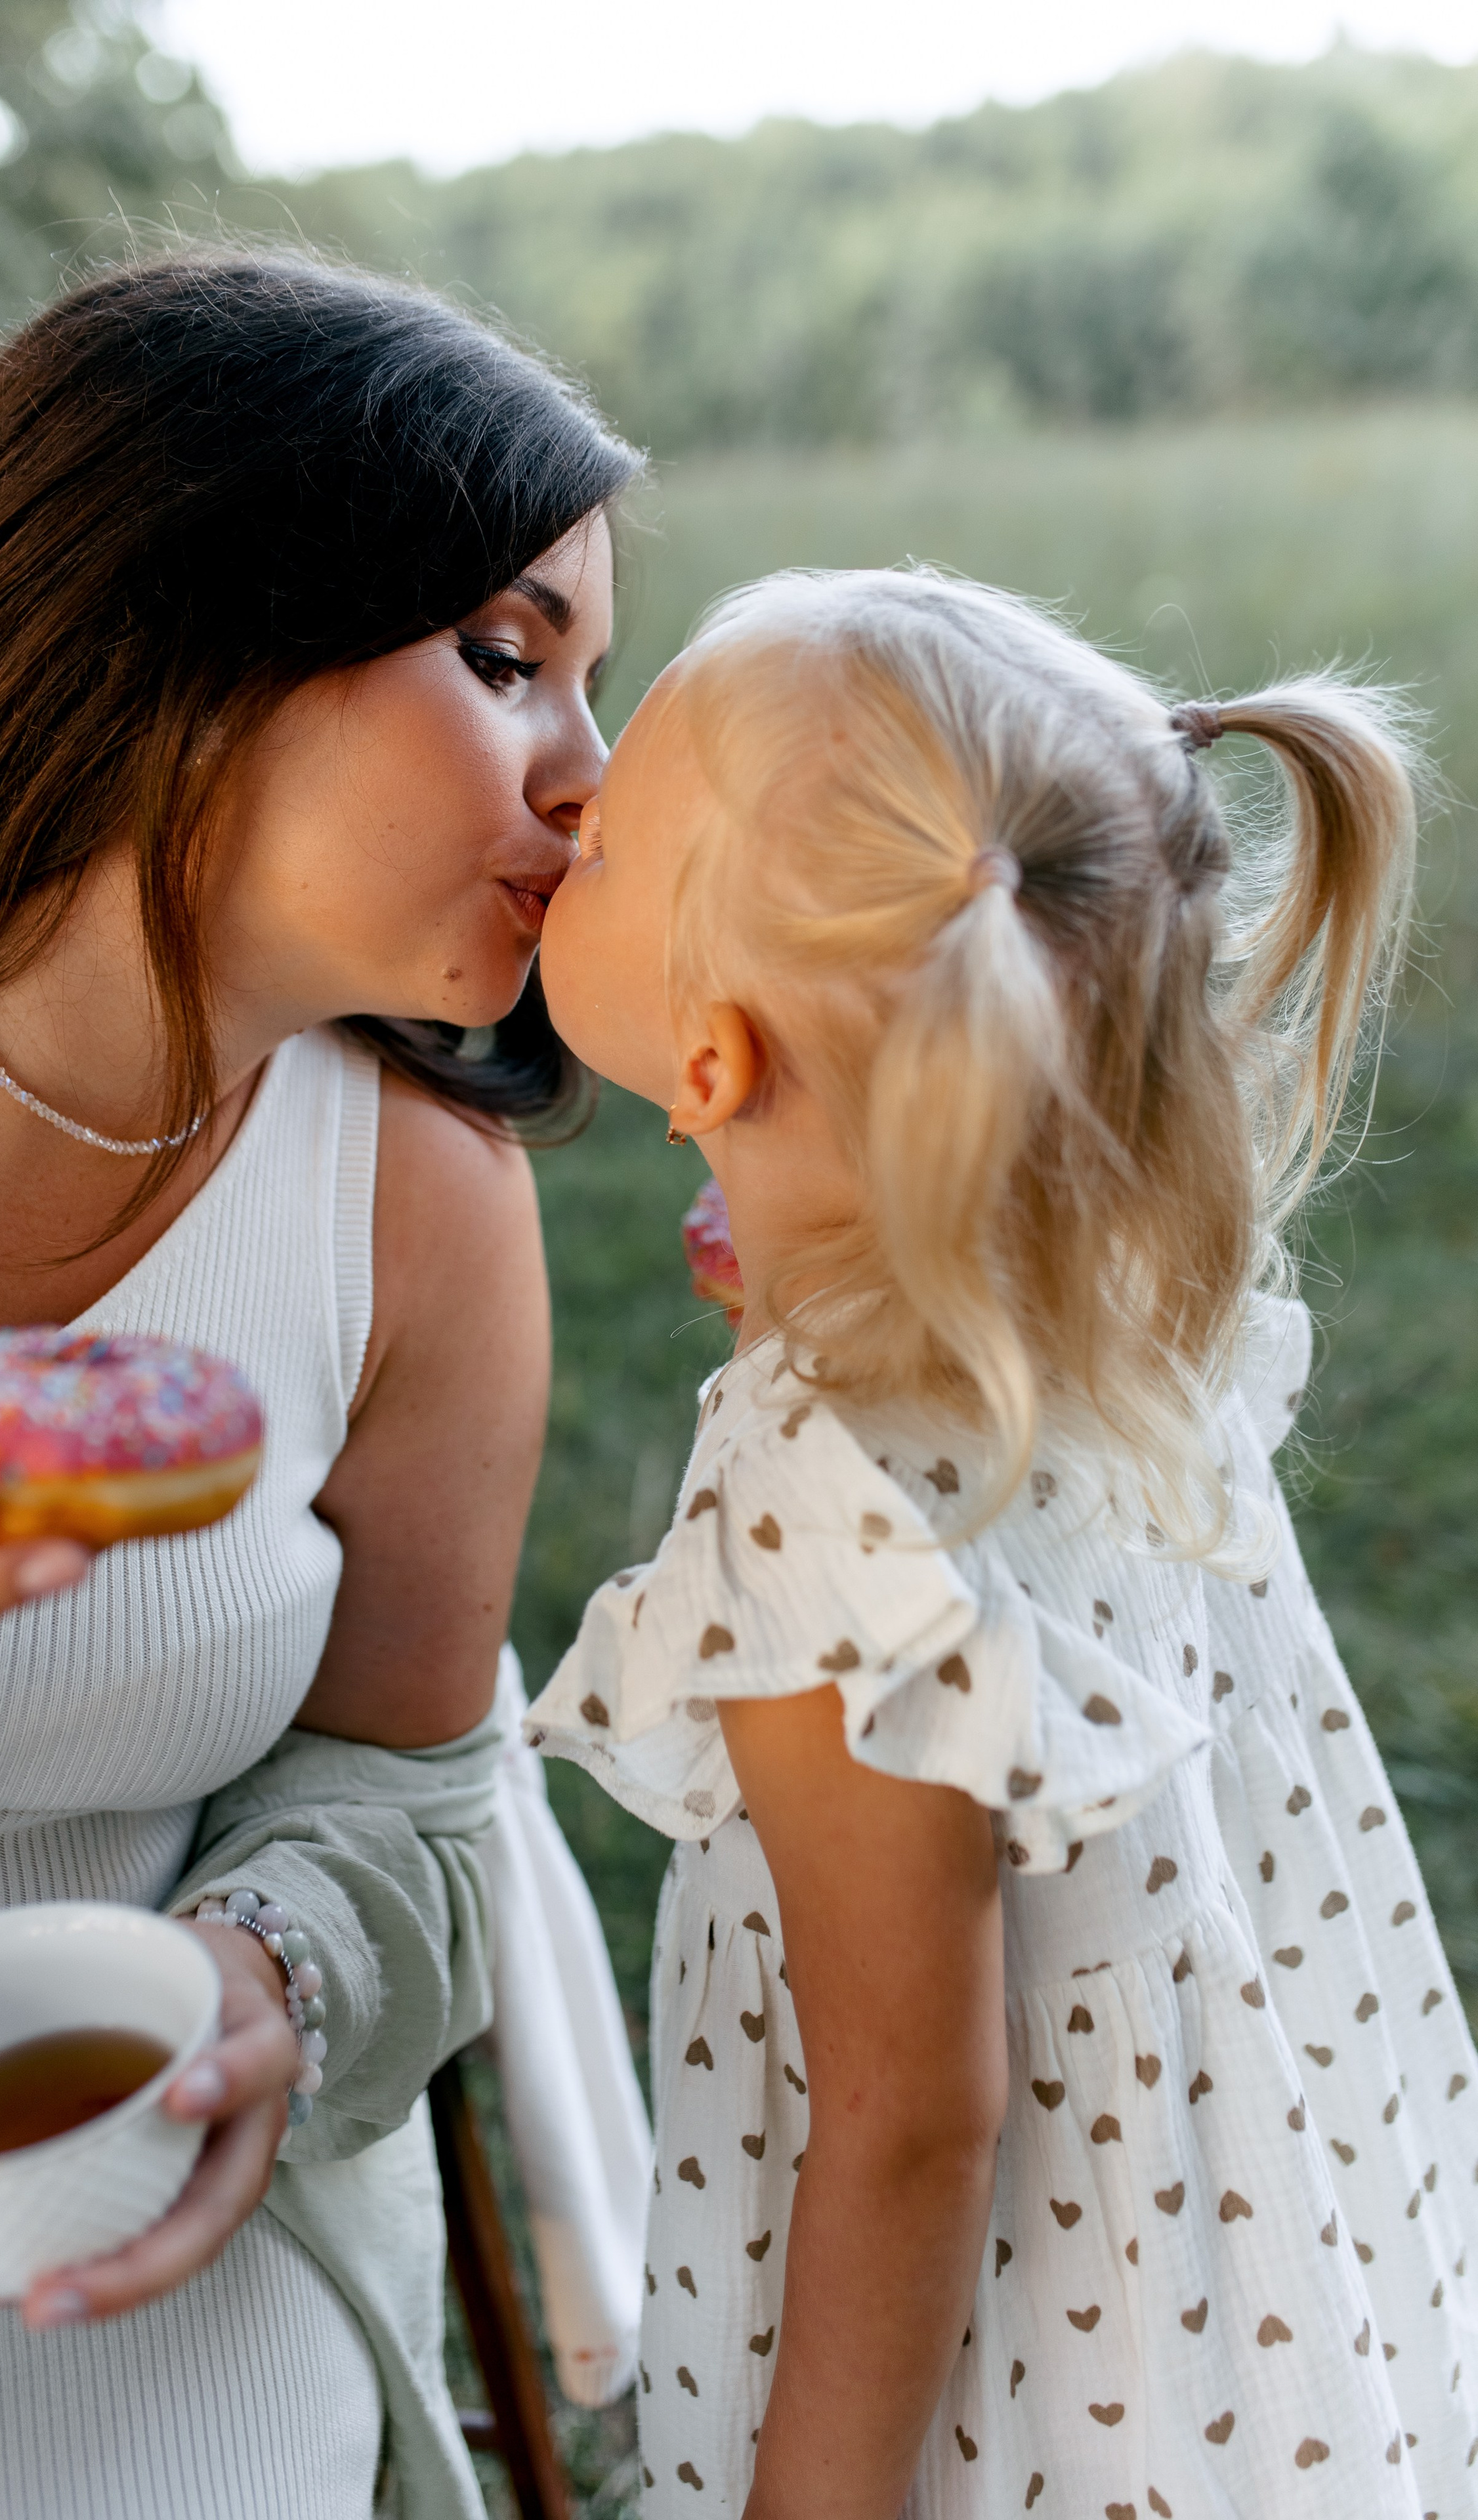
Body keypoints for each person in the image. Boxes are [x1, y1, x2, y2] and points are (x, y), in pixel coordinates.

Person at [0, 250, 636, 2517]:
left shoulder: (423, 1207)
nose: (596, 777)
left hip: (122, 2245)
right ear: (170, 640)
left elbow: (411, 1789)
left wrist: (275, 1970)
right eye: (504, 658)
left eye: (594, 677)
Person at [528, 567, 1478, 2517]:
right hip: (1228, 2260)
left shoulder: (817, 1513)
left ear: (710, 1066)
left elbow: (905, 2122)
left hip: (1025, 2368)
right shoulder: (1090, 1299)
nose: (571, 803)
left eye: (612, 836)